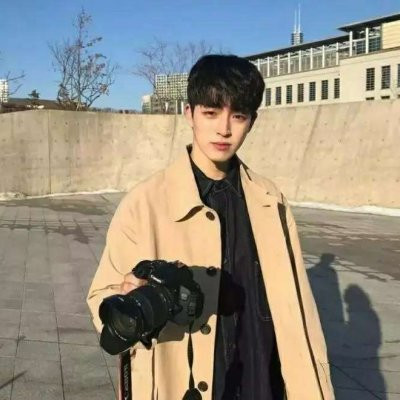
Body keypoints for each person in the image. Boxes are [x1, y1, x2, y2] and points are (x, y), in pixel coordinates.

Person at [87, 54, 334, 400]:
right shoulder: (145, 202)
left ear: (252, 121)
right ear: (189, 114)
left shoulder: (270, 200)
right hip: (185, 381)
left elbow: (300, 304)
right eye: (211, 112)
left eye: (238, 115)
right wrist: (129, 298)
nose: (224, 129)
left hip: (262, 376)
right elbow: (102, 298)